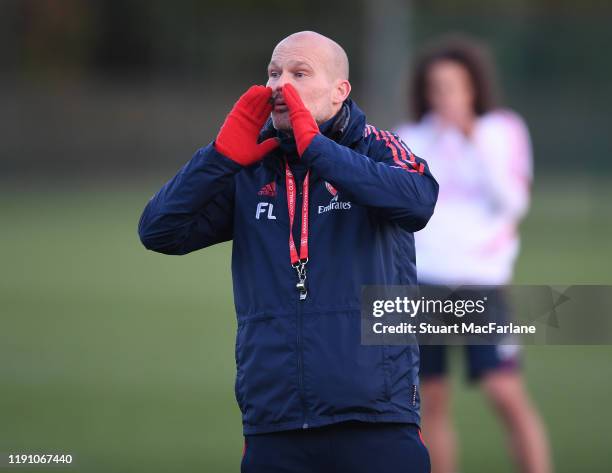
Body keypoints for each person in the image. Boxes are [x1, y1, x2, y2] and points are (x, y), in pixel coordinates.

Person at [138, 31, 438, 473]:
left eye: (300, 73)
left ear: (340, 92)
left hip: (376, 419)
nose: (281, 86)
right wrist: (220, 157)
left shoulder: (377, 146)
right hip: (275, 422)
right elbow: (159, 231)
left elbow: (418, 201)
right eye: (274, 73)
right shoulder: (251, 166)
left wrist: (317, 149)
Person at [395, 36, 551, 473]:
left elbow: (514, 203)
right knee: (430, 403)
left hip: (480, 282)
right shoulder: (410, 138)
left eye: (454, 86)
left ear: (474, 87)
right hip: (422, 283)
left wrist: (472, 138)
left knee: (506, 393)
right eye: (436, 86)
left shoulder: (503, 130)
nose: (445, 96)